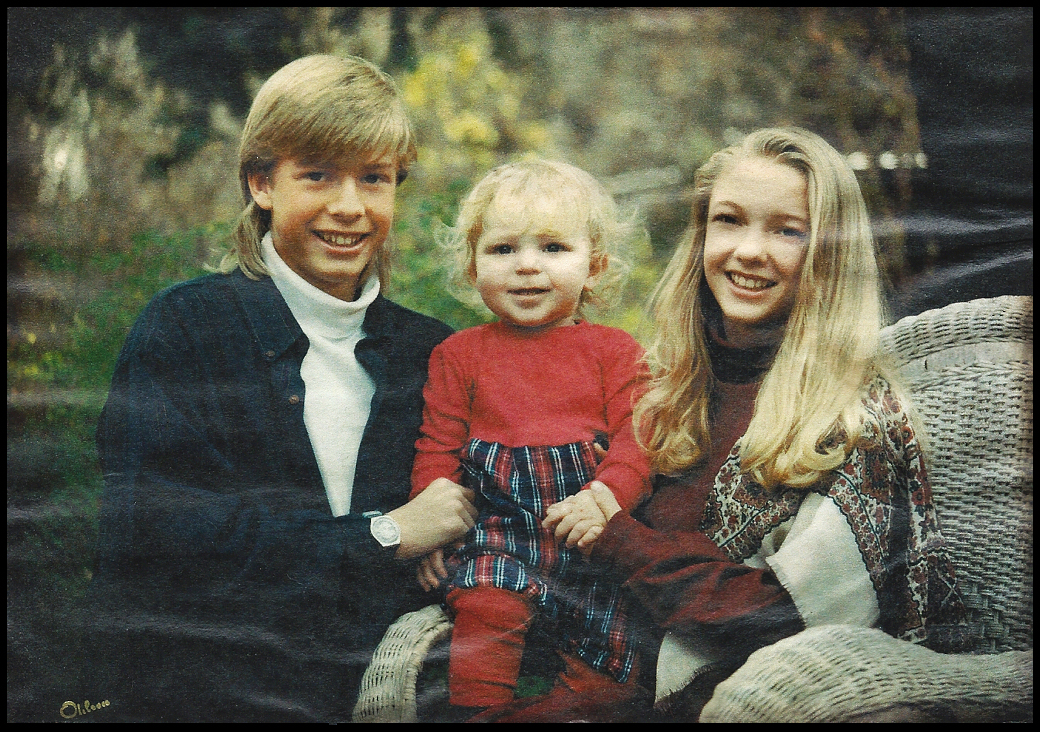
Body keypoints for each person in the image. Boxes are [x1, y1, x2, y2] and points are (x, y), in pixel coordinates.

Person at [500, 126, 966, 722]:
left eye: (786, 230)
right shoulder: (656, 385)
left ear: (830, 251)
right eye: (729, 220)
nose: (748, 250)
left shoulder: (856, 421)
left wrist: (619, 539)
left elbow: (789, 618)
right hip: (592, 675)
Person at [82, 54, 477, 723]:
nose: (349, 208)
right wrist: (383, 536)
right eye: (317, 175)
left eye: (374, 179)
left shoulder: (435, 352)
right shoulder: (185, 330)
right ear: (262, 183)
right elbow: (158, 544)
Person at [408, 159, 652, 717]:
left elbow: (638, 440)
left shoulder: (615, 352)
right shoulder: (459, 355)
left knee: (611, 669)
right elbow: (436, 449)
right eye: (502, 250)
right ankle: (482, 714)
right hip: (499, 536)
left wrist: (606, 498)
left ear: (594, 266)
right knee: (485, 608)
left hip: (591, 537)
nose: (526, 267)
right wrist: (431, 528)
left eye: (551, 248)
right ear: (472, 267)